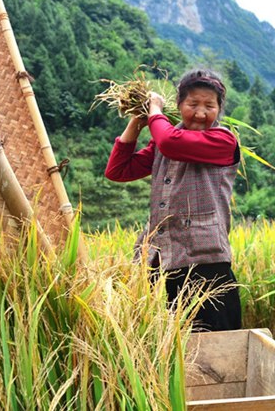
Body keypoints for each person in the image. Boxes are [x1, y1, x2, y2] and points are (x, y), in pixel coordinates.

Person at [104, 68, 242, 332]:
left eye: (209, 106)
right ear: (179, 105)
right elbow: (118, 170)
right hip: (162, 263)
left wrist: (155, 109)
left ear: (219, 109)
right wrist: (137, 120)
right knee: (169, 350)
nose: (201, 113)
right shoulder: (163, 144)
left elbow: (169, 141)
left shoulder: (223, 140)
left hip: (206, 265)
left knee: (218, 350)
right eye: (192, 104)